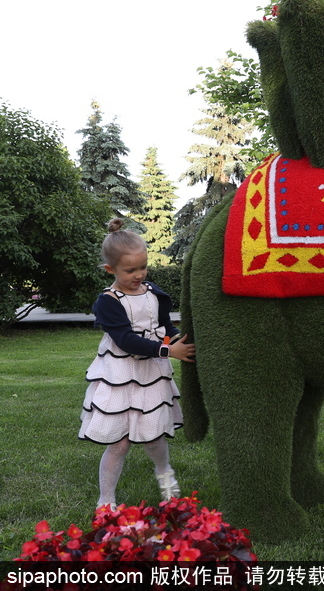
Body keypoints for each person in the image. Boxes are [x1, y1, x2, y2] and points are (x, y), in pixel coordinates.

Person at [78, 218, 195, 509]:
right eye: (130, 270)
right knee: (119, 442)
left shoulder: (153, 292)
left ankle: (165, 475)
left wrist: (178, 339)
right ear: (110, 270)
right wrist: (170, 352)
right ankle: (106, 500)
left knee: (154, 435)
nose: (139, 275)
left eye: (142, 267)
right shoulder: (108, 301)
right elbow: (126, 341)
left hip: (151, 373)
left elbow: (165, 325)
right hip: (121, 374)